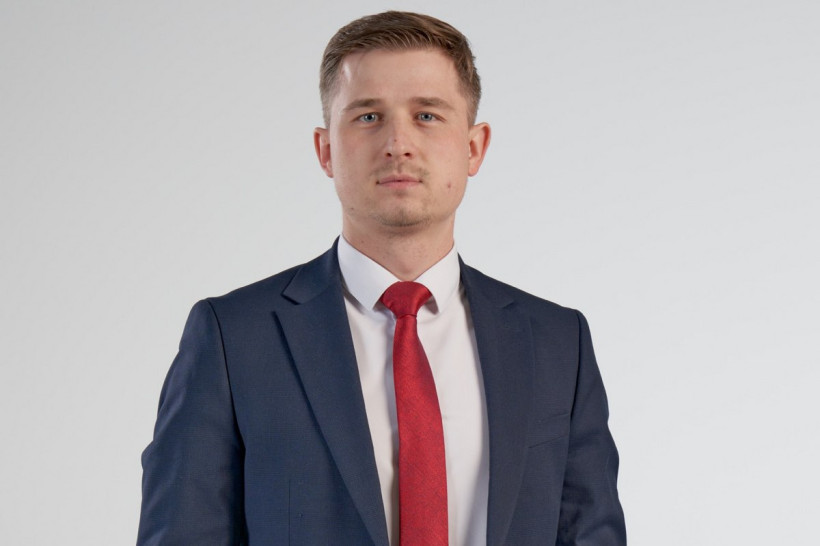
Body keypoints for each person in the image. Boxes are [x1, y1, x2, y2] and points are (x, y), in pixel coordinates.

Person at [138, 10, 626, 545]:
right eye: (368, 116)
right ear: (326, 149)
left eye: (427, 115)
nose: (398, 143)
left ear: (474, 147)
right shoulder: (234, 338)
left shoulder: (556, 343)